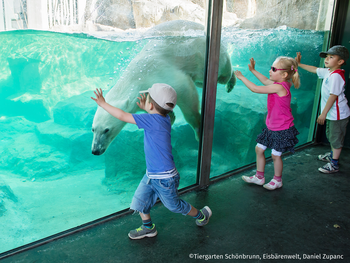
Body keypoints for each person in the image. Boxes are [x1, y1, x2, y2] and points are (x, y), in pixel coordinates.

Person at [91, 83, 212, 239]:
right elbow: (159, 111)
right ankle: (148, 227)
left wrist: (103, 104)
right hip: (152, 174)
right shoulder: (164, 118)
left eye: (148, 99)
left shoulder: (151, 120)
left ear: (153, 106)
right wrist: (148, 107)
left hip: (165, 178)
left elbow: (122, 116)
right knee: (140, 202)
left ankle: (201, 215)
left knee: (174, 206)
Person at [234, 57, 300, 190]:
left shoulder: (279, 87)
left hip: (282, 129)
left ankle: (277, 180)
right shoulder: (281, 83)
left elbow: (256, 89)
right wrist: (253, 70)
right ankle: (259, 177)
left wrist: (241, 77)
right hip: (272, 127)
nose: (270, 70)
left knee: (276, 155)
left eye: (273, 69)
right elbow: (265, 80)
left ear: (284, 74)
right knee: (259, 149)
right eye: (271, 68)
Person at [296, 45, 350, 173]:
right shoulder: (329, 71)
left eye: (331, 57)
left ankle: (334, 164)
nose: (326, 59)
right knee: (331, 136)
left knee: (336, 138)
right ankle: (332, 156)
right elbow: (315, 69)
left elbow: (333, 96)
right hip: (333, 114)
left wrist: (323, 114)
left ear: (340, 62)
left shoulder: (336, 76)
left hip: (338, 114)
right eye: (326, 56)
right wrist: (299, 64)